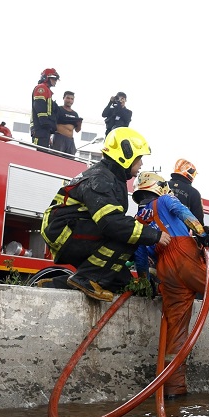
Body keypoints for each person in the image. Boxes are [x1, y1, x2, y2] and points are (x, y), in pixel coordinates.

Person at [131, 172, 209, 398]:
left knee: (176, 331)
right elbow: (184, 212)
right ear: (160, 187)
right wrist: (201, 233)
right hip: (185, 256)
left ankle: (174, 389)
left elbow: (140, 257)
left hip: (165, 272)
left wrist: (146, 284)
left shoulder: (138, 220)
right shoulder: (166, 200)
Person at [40, 127, 170, 301]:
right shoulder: (100, 178)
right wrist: (154, 235)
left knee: (119, 282)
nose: (141, 164)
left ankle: (53, 285)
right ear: (126, 154)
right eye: (139, 159)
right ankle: (85, 278)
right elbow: (112, 223)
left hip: (71, 228)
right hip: (63, 231)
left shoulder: (111, 177)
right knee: (128, 236)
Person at [31, 68, 59, 148]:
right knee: (37, 153)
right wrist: (46, 122)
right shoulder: (42, 88)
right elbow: (39, 105)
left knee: (43, 152)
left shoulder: (47, 90)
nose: (55, 81)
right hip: (39, 127)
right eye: (54, 78)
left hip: (44, 129)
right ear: (47, 78)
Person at [51, 91, 82, 155]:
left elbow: (77, 130)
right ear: (63, 98)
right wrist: (50, 137)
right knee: (57, 158)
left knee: (70, 160)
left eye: (72, 99)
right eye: (68, 98)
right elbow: (51, 124)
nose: (70, 100)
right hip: (59, 138)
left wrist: (79, 124)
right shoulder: (58, 109)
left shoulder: (75, 114)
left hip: (70, 140)